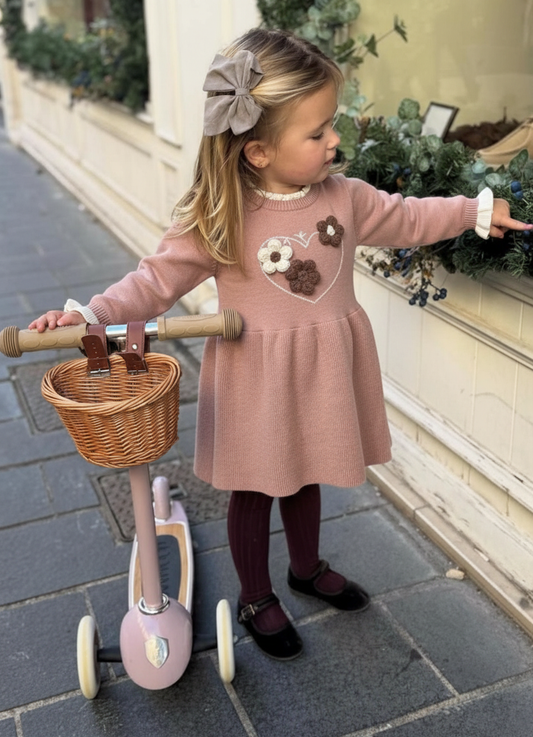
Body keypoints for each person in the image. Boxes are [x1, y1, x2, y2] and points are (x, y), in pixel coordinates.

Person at [30, 29, 532, 661]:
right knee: (255, 485)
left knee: (307, 470)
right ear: (260, 151)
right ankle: (256, 595)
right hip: (254, 377)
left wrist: (472, 211)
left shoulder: (346, 199)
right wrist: (93, 315)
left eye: (331, 126)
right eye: (317, 133)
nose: (334, 142)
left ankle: (305, 566)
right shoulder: (221, 214)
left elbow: (407, 217)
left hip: (321, 371)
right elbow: (155, 279)